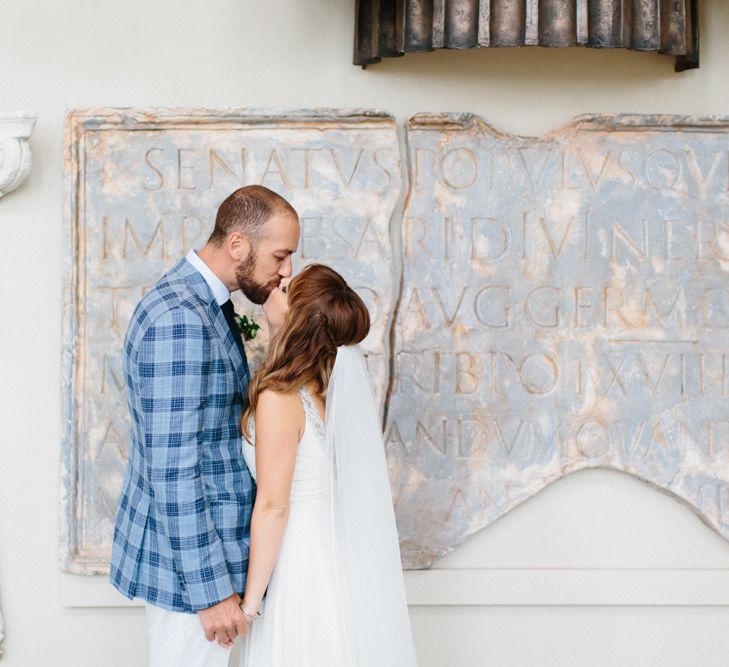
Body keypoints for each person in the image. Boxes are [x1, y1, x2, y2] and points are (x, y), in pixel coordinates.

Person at [109, 185, 300, 667]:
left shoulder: (204, 302)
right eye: (280, 256)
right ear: (238, 245)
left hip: (207, 553)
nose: (286, 271)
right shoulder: (181, 318)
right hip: (190, 571)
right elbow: (173, 468)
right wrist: (210, 592)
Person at [239, 264, 418, 666]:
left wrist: (249, 606)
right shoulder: (320, 391)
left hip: (298, 562)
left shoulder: (279, 397)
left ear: (296, 322)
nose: (273, 286)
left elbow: (274, 505)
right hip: (331, 552)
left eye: (283, 289)